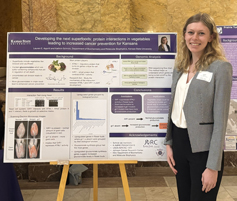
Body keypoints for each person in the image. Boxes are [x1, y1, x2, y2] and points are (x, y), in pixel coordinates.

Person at [164, 13, 232, 201]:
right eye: (190, 32)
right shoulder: (180, 66)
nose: (194, 38)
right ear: (184, 35)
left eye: (201, 33)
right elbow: (174, 107)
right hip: (179, 142)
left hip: (203, 150)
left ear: (211, 37)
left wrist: (212, 166)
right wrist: (169, 143)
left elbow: (220, 122)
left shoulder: (220, 68)